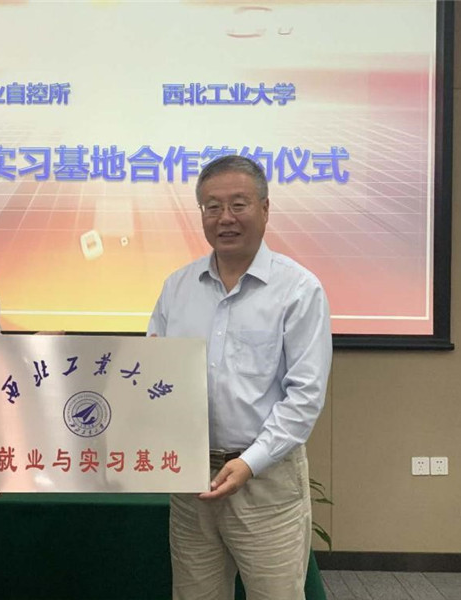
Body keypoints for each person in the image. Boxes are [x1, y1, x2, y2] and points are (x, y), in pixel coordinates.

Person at [148, 155, 332, 600]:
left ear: (265, 209)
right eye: (212, 206)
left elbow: (304, 396)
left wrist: (250, 462)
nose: (225, 217)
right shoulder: (177, 287)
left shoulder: (298, 290)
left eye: (238, 204)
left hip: (265, 481)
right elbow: (151, 375)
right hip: (192, 479)